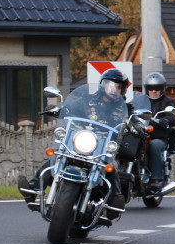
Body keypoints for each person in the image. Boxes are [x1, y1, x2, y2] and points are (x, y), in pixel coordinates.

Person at [17, 68, 131, 208]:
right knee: (57, 155)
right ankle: (33, 188)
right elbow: (70, 107)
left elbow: (134, 120)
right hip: (81, 141)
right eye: (111, 85)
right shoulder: (88, 100)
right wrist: (58, 108)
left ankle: (115, 202)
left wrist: (137, 126)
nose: (114, 89)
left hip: (104, 146)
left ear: (123, 90)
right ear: (104, 84)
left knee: (111, 165)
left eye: (119, 87)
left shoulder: (125, 108)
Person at [142, 72, 175, 188]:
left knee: (154, 145)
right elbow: (131, 111)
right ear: (147, 89)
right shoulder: (141, 101)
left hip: (159, 137)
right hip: (141, 135)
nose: (154, 91)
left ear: (162, 89)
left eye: (157, 88)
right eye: (151, 88)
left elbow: (171, 116)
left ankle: (156, 178)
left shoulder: (167, 102)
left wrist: (166, 120)